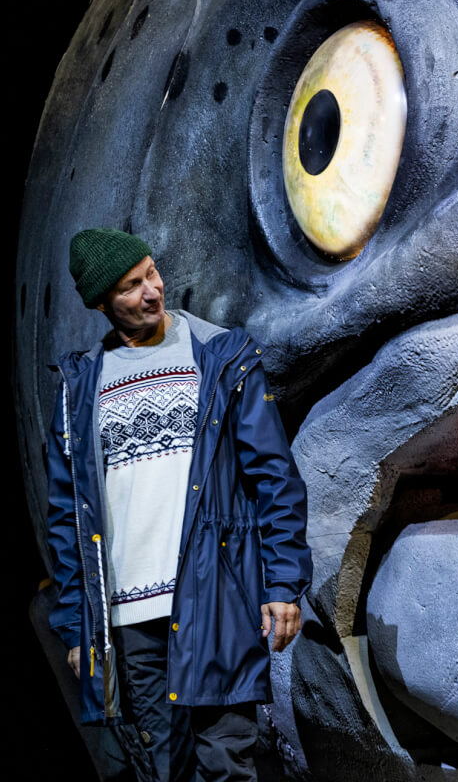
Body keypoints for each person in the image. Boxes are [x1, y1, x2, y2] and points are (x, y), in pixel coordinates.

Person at [46, 228, 312, 782]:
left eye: (151, 273)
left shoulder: (220, 358)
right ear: (101, 304)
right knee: (162, 770)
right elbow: (65, 516)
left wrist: (283, 585)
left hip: (217, 601)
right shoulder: (80, 389)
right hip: (130, 619)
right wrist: (77, 628)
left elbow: (275, 477)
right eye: (130, 286)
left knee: (227, 761)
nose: (151, 291)